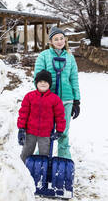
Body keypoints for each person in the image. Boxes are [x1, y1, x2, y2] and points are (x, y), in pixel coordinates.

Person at [34, 27, 80, 160]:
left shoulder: (70, 58)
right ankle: (40, 159)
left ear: (65, 40)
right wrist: (41, 95)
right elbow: (37, 79)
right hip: (48, 100)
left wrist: (76, 101)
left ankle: (64, 160)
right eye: (56, 39)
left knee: (63, 133)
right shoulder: (44, 56)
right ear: (51, 41)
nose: (59, 41)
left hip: (66, 100)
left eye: (61, 38)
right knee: (46, 131)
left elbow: (74, 79)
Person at [17, 69, 66, 163]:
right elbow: (23, 113)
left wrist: (59, 130)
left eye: (45, 82)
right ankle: (22, 170)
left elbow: (60, 116)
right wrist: (21, 128)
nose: (43, 84)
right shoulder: (29, 96)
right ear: (36, 83)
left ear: (50, 84)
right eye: (40, 81)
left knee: (44, 155)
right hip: (30, 132)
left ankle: (41, 171)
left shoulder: (55, 99)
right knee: (26, 153)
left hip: (46, 134)